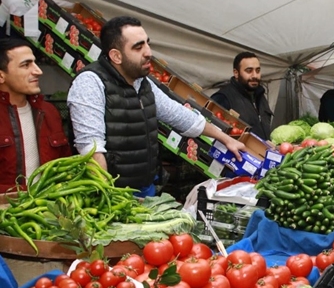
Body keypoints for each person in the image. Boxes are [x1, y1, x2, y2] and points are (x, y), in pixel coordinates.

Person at [68, 16, 245, 197]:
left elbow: (181, 116)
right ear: (116, 56)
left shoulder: (142, 83)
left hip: (145, 187)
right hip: (115, 192)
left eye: (147, 44)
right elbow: (91, 149)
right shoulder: (90, 83)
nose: (148, 52)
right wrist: (107, 199)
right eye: (138, 47)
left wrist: (226, 139)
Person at [0, 38, 71, 193]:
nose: (38, 71)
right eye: (26, 65)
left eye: (35, 63)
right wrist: (24, 194)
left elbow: (64, 166)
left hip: (47, 209)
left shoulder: (49, 112)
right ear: (1, 76)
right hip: (8, 211)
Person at [210, 51, 273, 140]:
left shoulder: (260, 95)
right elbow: (210, 134)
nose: (255, 75)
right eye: (249, 70)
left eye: (257, 70)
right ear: (236, 73)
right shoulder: (223, 98)